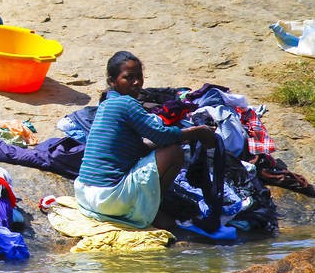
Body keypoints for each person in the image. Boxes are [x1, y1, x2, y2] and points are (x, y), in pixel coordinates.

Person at [75, 51, 216, 229]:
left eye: (139, 77)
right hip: (107, 199)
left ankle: (145, 206)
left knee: (156, 149)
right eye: (128, 78)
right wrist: (196, 132)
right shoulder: (126, 104)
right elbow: (163, 135)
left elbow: (139, 146)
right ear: (112, 81)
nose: (136, 83)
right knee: (174, 153)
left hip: (85, 196)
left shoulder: (106, 105)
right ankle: (151, 211)